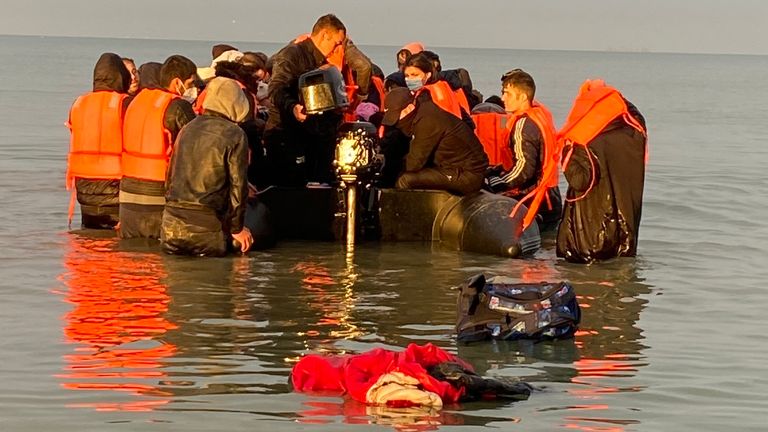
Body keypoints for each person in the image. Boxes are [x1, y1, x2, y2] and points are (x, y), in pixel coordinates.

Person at [263, 14, 372, 187]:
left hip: (315, 137)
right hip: (287, 135)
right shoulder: (292, 55)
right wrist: (292, 108)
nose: (338, 48)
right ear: (324, 35)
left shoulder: (322, 62)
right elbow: (276, 88)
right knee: (290, 190)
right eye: (336, 43)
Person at [556, 79, 647, 263]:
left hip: (589, 241)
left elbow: (580, 181)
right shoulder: (634, 131)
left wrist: (565, 152)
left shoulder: (585, 141)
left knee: (586, 287)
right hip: (624, 240)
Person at [161, 77, 253, 256]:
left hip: (170, 225)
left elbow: (169, 177)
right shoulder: (235, 134)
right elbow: (238, 188)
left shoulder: (186, 128)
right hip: (206, 229)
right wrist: (237, 229)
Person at [119, 55, 197, 239]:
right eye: (191, 83)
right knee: (157, 261)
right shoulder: (178, 106)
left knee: (131, 258)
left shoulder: (132, 102)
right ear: (177, 82)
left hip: (127, 194)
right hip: (158, 193)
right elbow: (195, 147)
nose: (193, 88)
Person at [483, 69, 562, 230]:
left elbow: (524, 170)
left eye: (507, 94)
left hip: (536, 203)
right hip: (551, 199)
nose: (503, 98)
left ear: (523, 97)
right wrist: (494, 171)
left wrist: (493, 183)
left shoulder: (523, 125)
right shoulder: (539, 116)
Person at [65, 52, 131, 229]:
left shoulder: (78, 104)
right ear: (121, 77)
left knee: (90, 243)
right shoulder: (125, 104)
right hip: (116, 191)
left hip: (85, 191)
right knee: (115, 249)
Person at [382, 87, 488, 195]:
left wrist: (389, 173)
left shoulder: (428, 121)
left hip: (469, 175)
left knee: (404, 180)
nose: (396, 122)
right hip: (449, 167)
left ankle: (402, 211)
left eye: (396, 117)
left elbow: (414, 163)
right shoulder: (422, 112)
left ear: (409, 108)